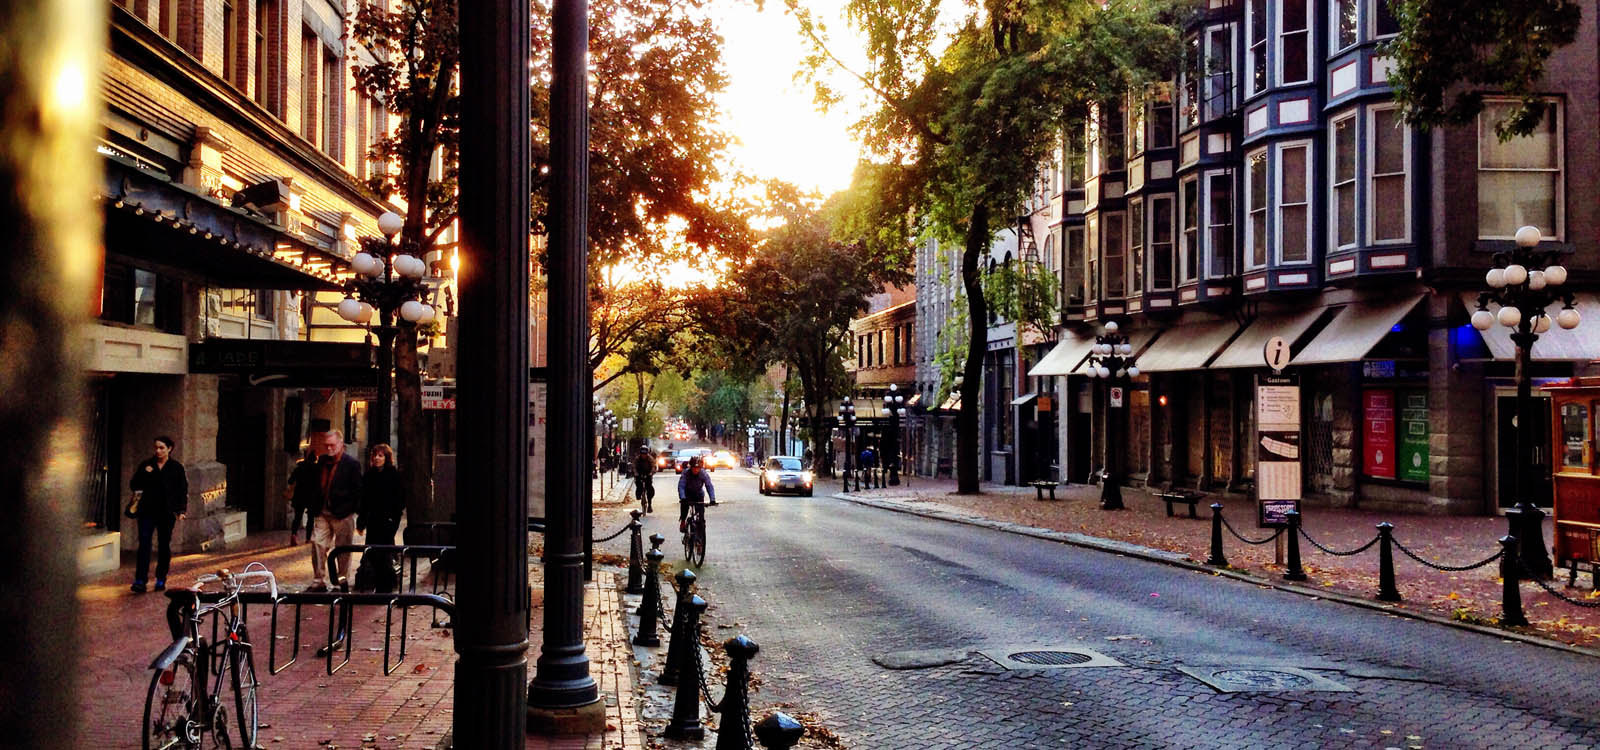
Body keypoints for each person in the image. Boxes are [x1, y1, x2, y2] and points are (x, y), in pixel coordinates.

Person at [129, 435, 188, 593]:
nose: (158, 451)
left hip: (166, 513)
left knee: (163, 545)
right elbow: (134, 485)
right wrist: (144, 474)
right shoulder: (147, 465)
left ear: (169, 449)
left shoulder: (176, 468)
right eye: (156, 447)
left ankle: (161, 578)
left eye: (162, 448)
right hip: (147, 511)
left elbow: (182, 490)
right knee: (144, 544)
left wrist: (181, 510)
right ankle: (140, 580)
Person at [308, 430, 363, 592]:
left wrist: (352, 510)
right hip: (322, 512)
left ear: (341, 444)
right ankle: (318, 580)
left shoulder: (351, 464)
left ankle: (341, 581)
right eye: (327, 445)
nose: (329, 448)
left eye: (332, 445)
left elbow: (357, 490)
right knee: (317, 543)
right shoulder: (322, 461)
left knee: (343, 549)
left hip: (342, 513)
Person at [356, 443, 405, 592]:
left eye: (380, 455)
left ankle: (386, 585)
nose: (377, 458)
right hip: (373, 521)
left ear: (386, 458)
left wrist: (394, 520)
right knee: (372, 552)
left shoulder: (394, 475)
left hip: (388, 520)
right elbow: (364, 500)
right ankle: (376, 582)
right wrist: (361, 522)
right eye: (375, 455)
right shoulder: (369, 476)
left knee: (384, 553)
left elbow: (399, 499)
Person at [285, 446, 321, 546]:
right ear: (315, 459)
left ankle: (294, 535)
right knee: (310, 519)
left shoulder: (299, 468)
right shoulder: (316, 469)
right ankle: (308, 538)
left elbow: (290, 481)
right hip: (311, 497)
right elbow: (319, 484)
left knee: (297, 517)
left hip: (299, 495)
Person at [677, 455, 716, 532]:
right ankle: (683, 521)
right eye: (694, 468)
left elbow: (709, 486)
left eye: (698, 468)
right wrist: (682, 497)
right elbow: (681, 486)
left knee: (701, 517)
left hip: (698, 494)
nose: (696, 470)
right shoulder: (686, 473)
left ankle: (700, 535)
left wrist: (712, 499)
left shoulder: (703, 474)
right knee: (684, 507)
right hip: (687, 494)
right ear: (690, 467)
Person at [632, 445, 655, 513]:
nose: (643, 455)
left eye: (645, 454)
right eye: (642, 454)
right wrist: (635, 473)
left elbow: (653, 466)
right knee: (639, 485)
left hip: (648, 474)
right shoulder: (637, 459)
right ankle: (639, 494)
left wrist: (651, 473)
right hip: (639, 473)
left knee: (649, 488)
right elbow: (634, 466)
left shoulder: (650, 458)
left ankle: (650, 505)